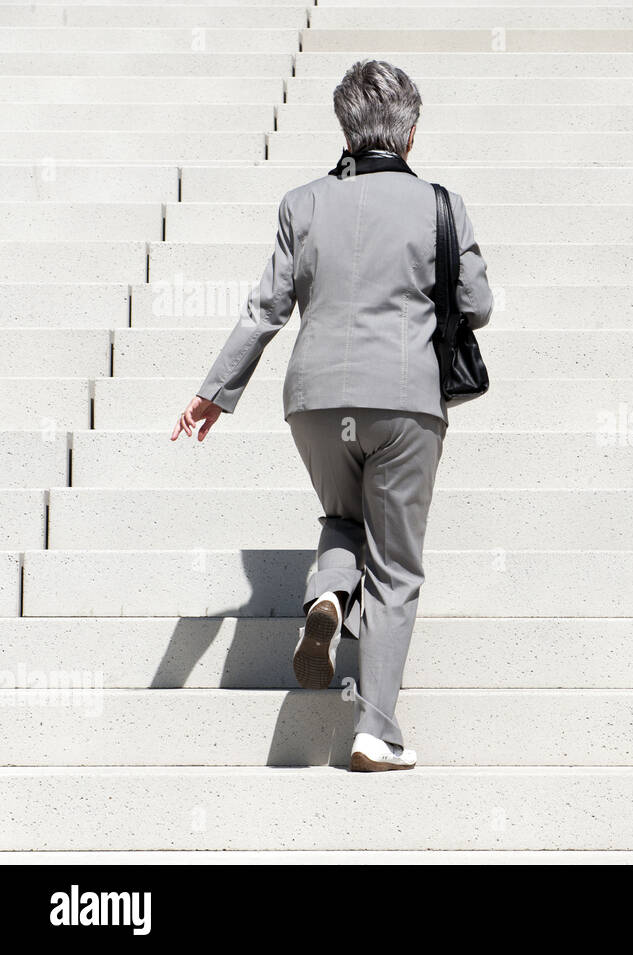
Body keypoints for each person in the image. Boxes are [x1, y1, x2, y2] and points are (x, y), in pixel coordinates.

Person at [170, 59, 493, 772]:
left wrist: (213, 392)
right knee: (397, 564)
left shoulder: (302, 202)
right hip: (405, 401)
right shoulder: (443, 204)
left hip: (316, 404)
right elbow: (479, 306)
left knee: (344, 519)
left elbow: (266, 310)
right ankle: (374, 727)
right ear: (409, 132)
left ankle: (327, 600)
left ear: (346, 129)